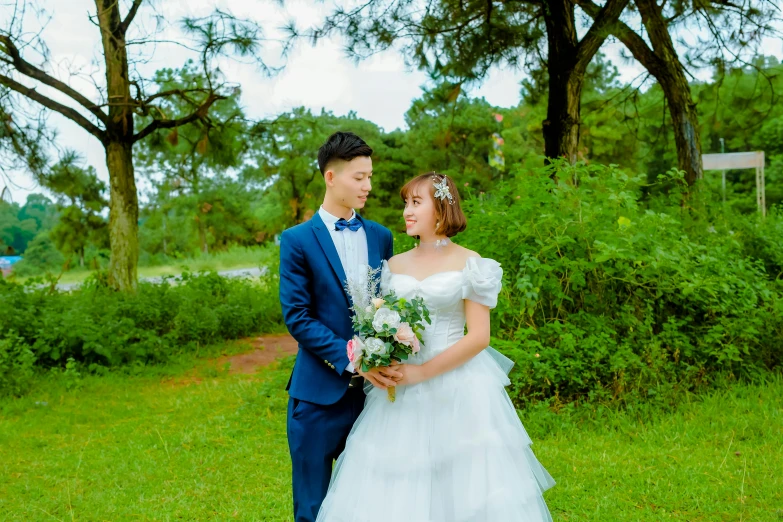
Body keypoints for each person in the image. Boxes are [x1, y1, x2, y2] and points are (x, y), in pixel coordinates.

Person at [316, 173, 555, 522]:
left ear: (442, 209)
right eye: (405, 204)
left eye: (416, 203)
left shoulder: (473, 264)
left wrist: (422, 372)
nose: (406, 212)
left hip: (458, 386)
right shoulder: (392, 267)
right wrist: (378, 354)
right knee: (396, 481)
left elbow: (479, 337)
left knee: (464, 484)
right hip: (400, 389)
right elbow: (378, 322)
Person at [279, 132, 398, 522]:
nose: (368, 186)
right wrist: (352, 358)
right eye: (358, 177)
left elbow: (387, 306)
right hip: (317, 397)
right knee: (312, 508)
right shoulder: (297, 240)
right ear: (331, 177)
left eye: (370, 176)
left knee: (369, 504)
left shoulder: (381, 237)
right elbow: (297, 315)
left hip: (374, 398)